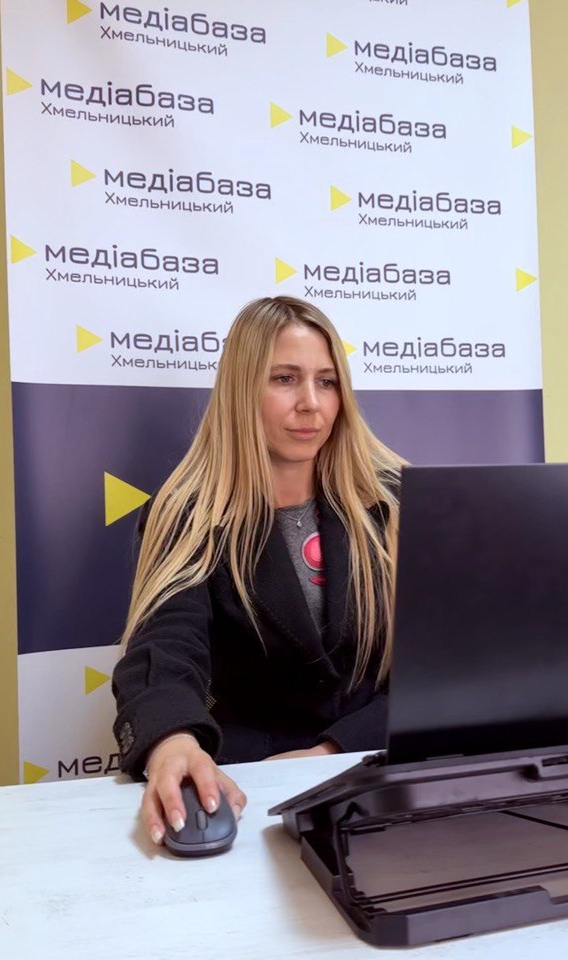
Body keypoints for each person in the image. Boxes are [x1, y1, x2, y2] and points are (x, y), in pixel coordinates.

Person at [112, 295, 404, 846]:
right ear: (243, 390)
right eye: (285, 379)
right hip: (254, 790)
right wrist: (173, 743)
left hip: (383, 772)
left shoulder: (393, 505)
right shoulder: (189, 515)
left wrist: (331, 752)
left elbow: (435, 673)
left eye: (327, 382)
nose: (310, 404)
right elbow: (164, 648)